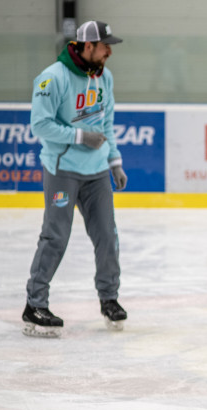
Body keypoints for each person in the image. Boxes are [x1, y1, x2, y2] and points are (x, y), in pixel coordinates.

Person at [23, 20, 129, 337]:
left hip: (97, 173)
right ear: (87, 46)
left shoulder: (104, 77)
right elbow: (40, 125)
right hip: (63, 170)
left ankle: (109, 298)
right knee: (55, 237)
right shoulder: (52, 78)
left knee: (107, 236)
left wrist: (114, 161)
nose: (109, 52)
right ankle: (34, 304)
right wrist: (80, 136)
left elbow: (106, 123)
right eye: (105, 46)